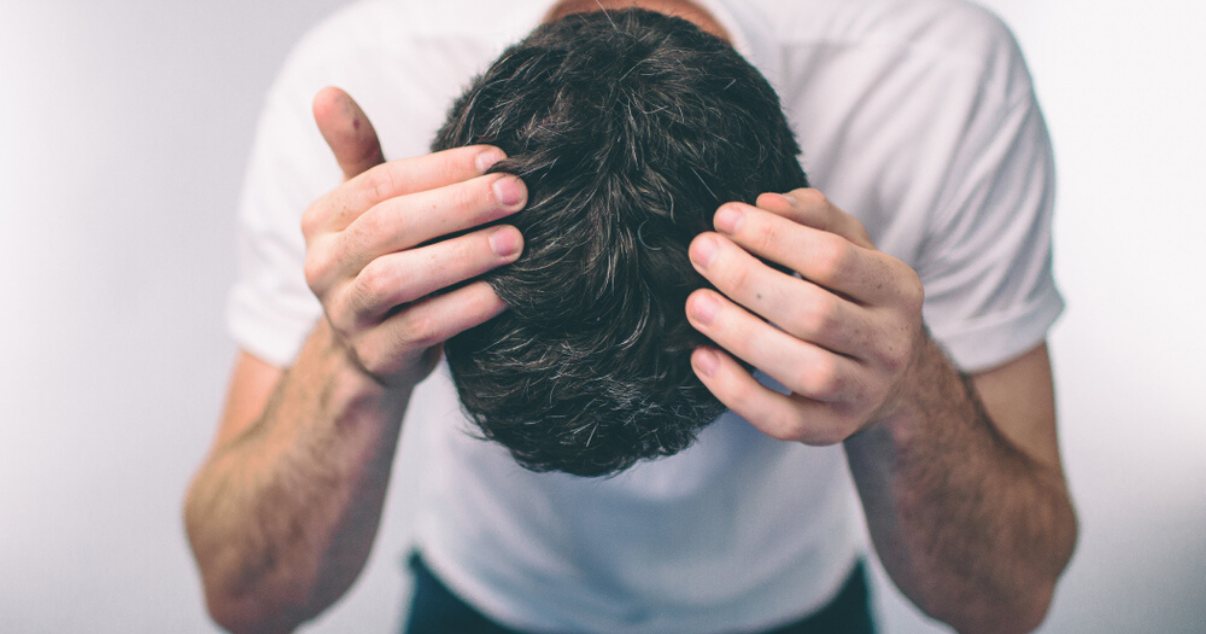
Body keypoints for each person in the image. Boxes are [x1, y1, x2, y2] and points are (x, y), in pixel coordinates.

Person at [184, 1, 1078, 633]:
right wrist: (352, 361)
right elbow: (244, 595)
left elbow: (1011, 603)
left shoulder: (944, 86)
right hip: (484, 597)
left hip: (796, 605)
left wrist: (905, 386)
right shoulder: (363, 75)